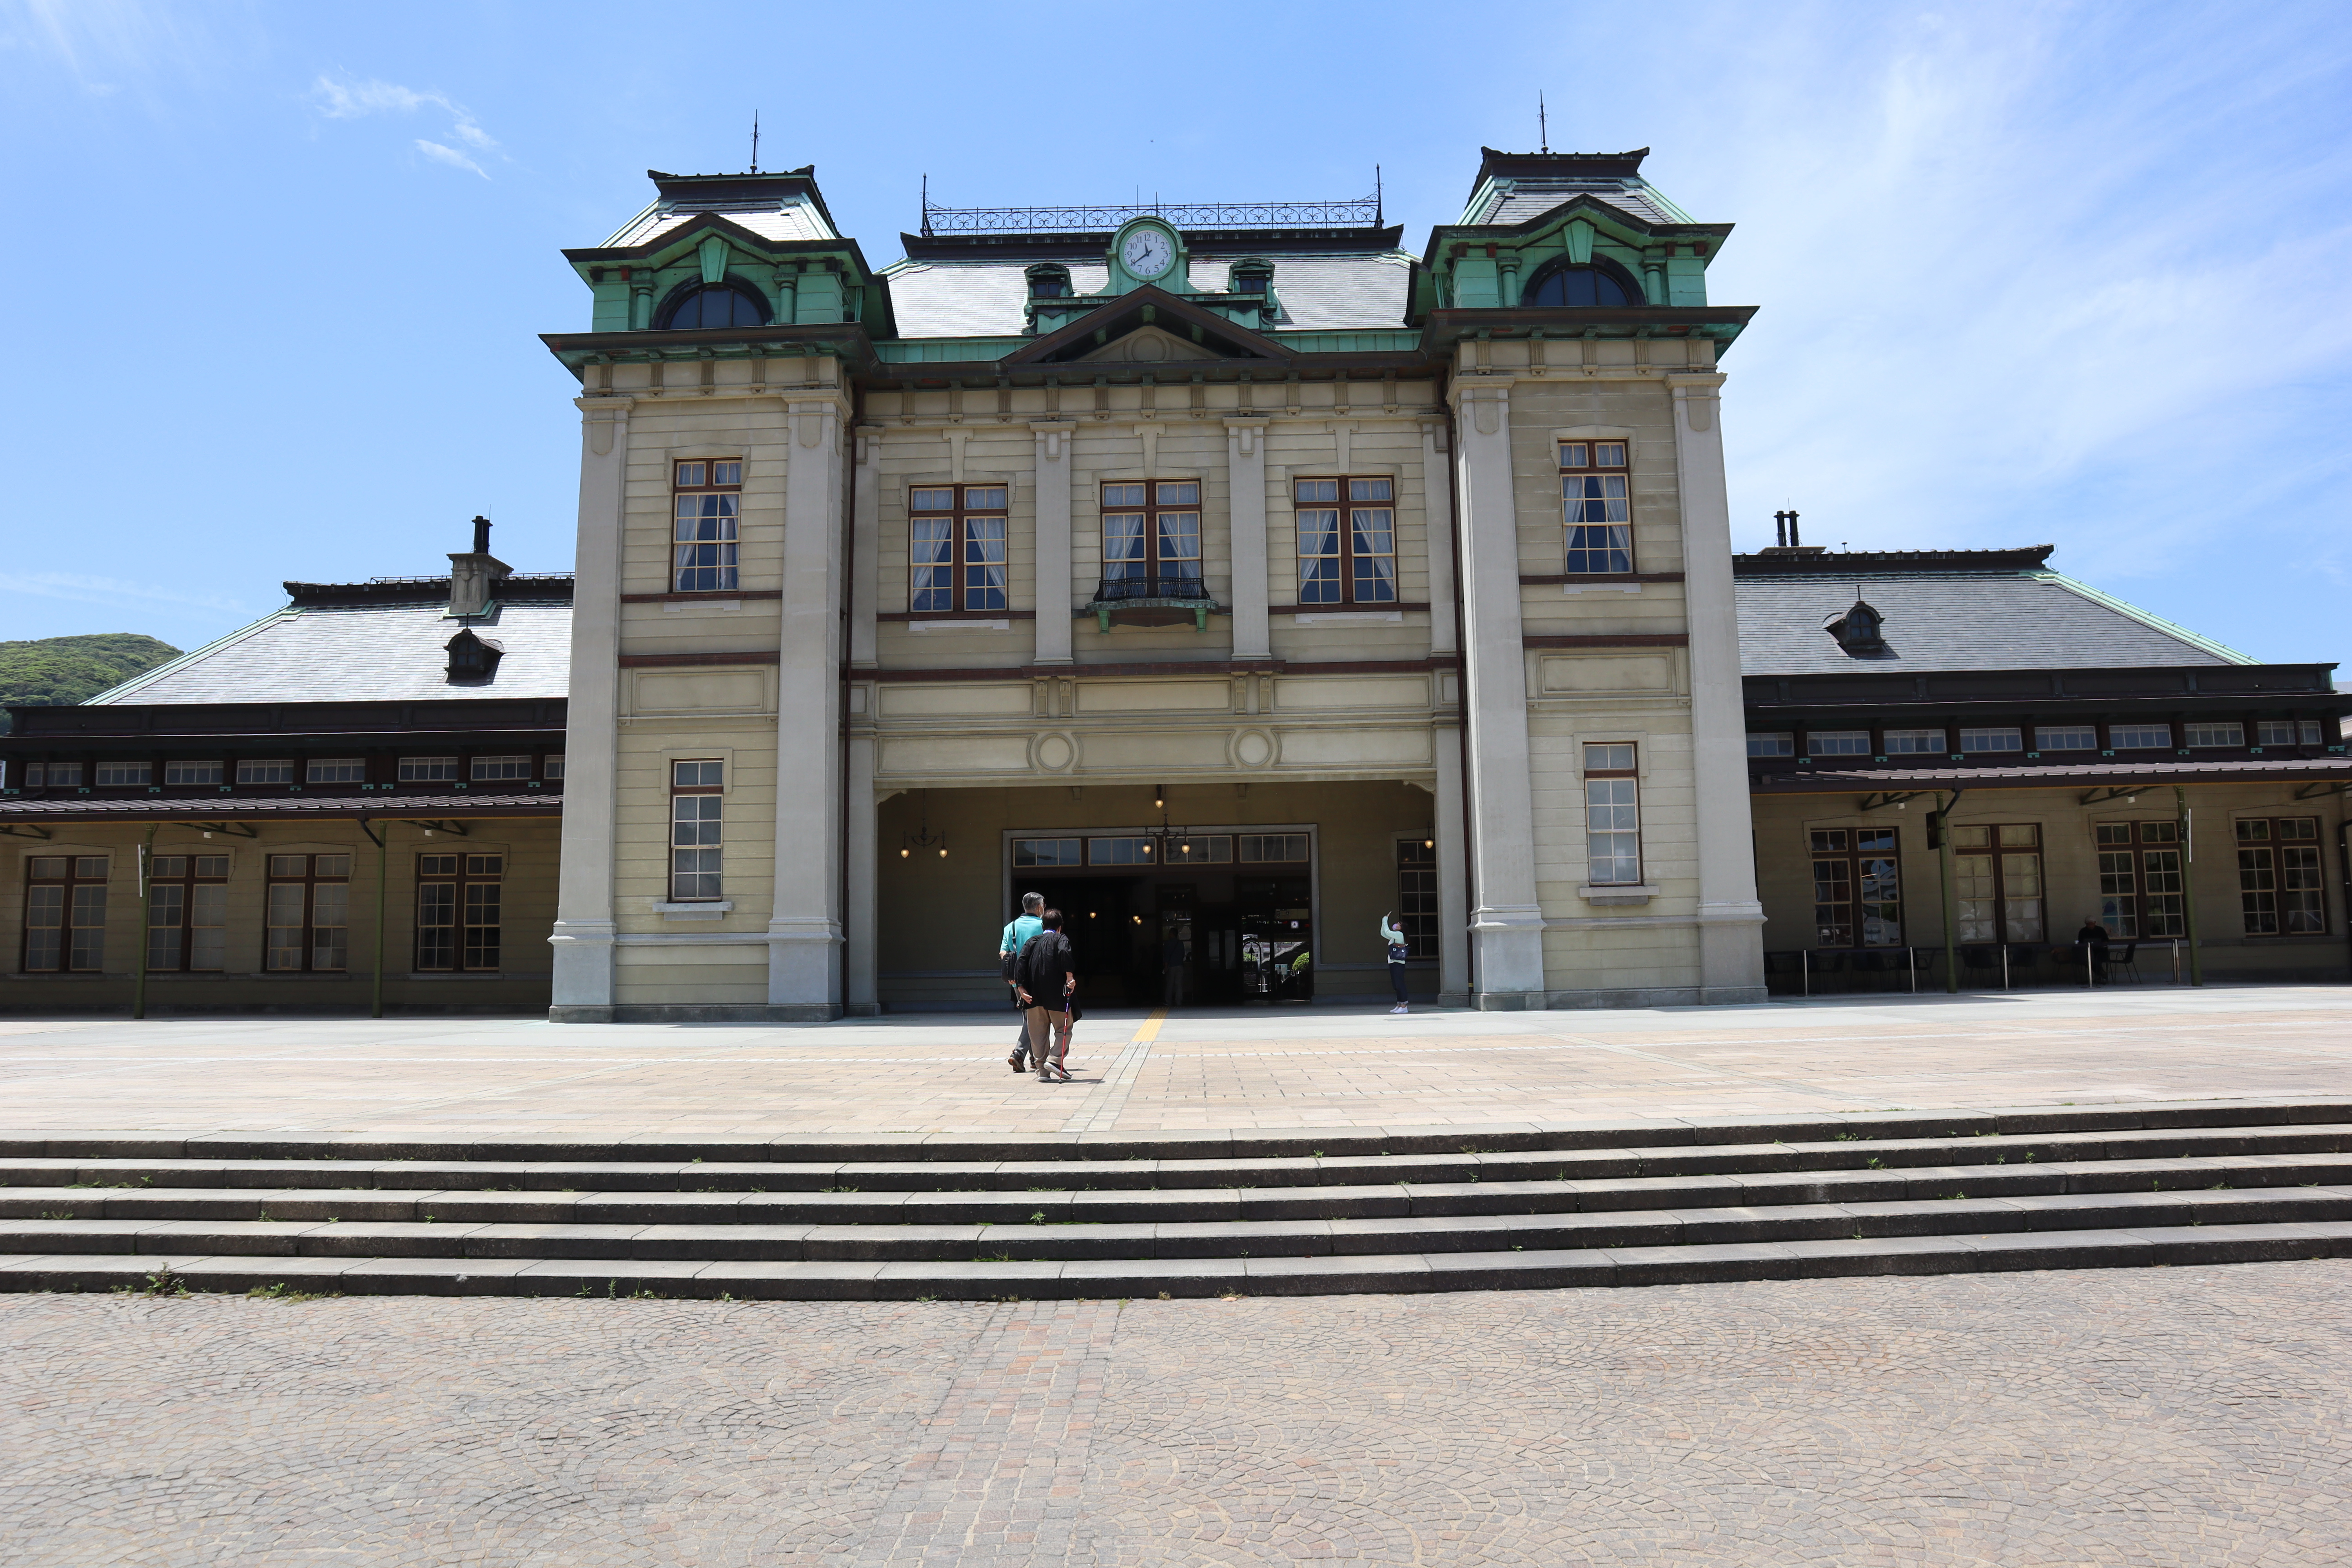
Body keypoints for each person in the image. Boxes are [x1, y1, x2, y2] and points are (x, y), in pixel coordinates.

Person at [1013, 907, 1078, 1082]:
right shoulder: (1061, 939)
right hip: (1057, 995)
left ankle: (1042, 1071)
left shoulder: (1032, 942)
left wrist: (1021, 990)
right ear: (1060, 927)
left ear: (1043, 926)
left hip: (1033, 996)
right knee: (1064, 1029)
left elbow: (1021, 963)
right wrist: (1070, 977)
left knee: (1038, 1034)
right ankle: (1055, 1060)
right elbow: (1065, 954)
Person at [1000, 892, 1044, 1072]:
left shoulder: (1010, 928)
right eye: (1044, 905)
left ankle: (1035, 1058)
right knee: (1035, 1020)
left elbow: (1003, 953)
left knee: (1028, 1018)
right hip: (1037, 980)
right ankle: (1019, 1054)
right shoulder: (1043, 925)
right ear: (1039, 907)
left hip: (1016, 981)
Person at [1379, 912, 1411, 1014]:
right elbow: (1384, 933)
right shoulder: (1396, 936)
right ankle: (1399, 1005)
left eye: (1399, 924)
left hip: (1398, 964)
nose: (1396, 925)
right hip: (1393, 963)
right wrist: (1383, 922)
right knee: (1396, 985)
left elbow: (1387, 931)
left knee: (1400, 985)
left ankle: (1404, 1006)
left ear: (1401, 928)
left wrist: (1385, 920)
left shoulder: (1399, 934)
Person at [2074, 916, 2111, 982]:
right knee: (2087, 961)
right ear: (2086, 924)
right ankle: (2100, 972)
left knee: (2096, 960)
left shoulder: (2101, 930)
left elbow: (2106, 941)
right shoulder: (2083, 931)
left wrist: (2102, 944)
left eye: (2092, 924)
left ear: (2095, 923)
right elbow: (2081, 943)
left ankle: (2098, 974)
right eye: (2089, 924)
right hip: (2087, 952)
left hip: (2100, 951)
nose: (2090, 926)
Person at [1160, 927, 1187, 1009]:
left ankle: (1169, 1001)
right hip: (1180, 966)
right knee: (1179, 985)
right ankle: (1179, 1002)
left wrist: (1165, 966)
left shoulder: (1168, 944)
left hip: (1171, 966)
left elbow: (1167, 956)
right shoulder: (1180, 943)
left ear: (1171, 934)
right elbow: (1183, 954)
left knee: (1170, 984)